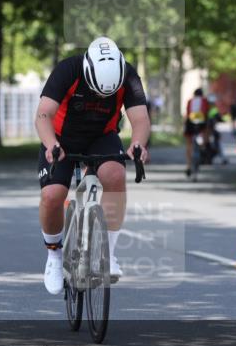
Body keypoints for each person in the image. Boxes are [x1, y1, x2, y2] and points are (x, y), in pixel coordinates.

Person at [35, 37, 151, 295]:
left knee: (116, 175)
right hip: (60, 138)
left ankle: (107, 254)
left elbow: (140, 119)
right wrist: (52, 144)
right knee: (52, 195)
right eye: (97, 90)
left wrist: (138, 144)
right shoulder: (68, 70)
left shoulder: (128, 75)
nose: (101, 96)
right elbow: (43, 114)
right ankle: (54, 255)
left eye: (106, 94)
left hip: (101, 137)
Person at [184, 87, 210, 176]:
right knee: (206, 132)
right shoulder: (205, 101)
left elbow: (187, 114)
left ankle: (188, 166)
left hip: (190, 124)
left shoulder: (190, 101)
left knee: (189, 143)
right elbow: (207, 112)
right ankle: (203, 147)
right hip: (201, 124)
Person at [206, 95, 229, 165]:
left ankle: (221, 158)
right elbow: (219, 118)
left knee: (216, 142)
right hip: (209, 130)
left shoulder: (204, 108)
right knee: (218, 143)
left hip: (204, 130)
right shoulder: (213, 110)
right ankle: (223, 158)